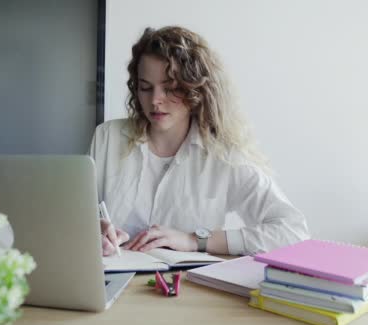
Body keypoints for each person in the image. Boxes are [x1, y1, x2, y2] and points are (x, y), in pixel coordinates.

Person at [89, 26, 309, 257]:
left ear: (194, 89)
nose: (155, 100)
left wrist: (195, 240)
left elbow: (293, 232)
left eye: (170, 88)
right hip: (112, 281)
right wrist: (94, 230)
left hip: (187, 287)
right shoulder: (107, 137)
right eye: (145, 88)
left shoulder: (223, 155)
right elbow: (72, 219)